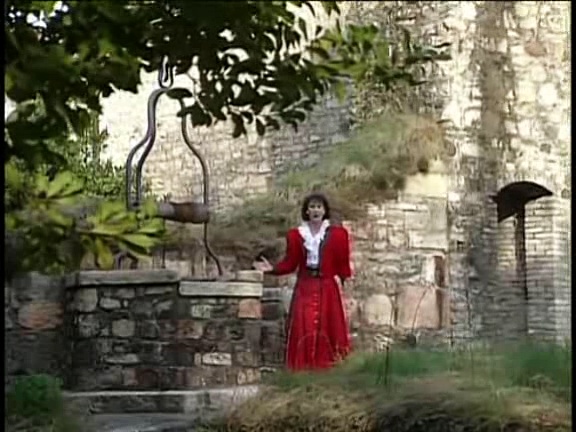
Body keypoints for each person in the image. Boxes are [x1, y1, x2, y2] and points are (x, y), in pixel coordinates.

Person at [253, 193, 352, 371]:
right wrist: (272, 269)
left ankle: (329, 365)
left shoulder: (338, 235)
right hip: (305, 285)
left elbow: (342, 262)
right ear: (306, 211)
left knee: (329, 324)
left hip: (327, 286)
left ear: (325, 211)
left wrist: (345, 279)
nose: (315, 210)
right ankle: (303, 366)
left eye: (319, 207)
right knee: (303, 324)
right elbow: (291, 263)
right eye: (312, 207)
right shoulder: (296, 235)